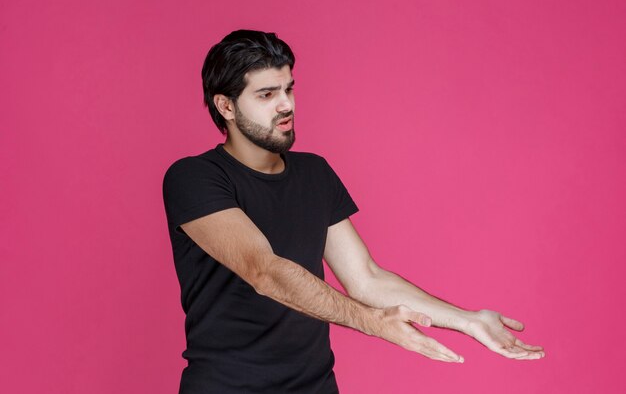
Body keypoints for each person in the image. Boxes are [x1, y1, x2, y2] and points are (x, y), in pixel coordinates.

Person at [162, 29, 544, 394]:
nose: (286, 105)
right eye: (266, 94)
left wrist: (469, 320)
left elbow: (366, 277)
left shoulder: (314, 172)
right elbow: (265, 271)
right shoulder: (194, 178)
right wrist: (374, 323)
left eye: (289, 89)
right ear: (226, 105)